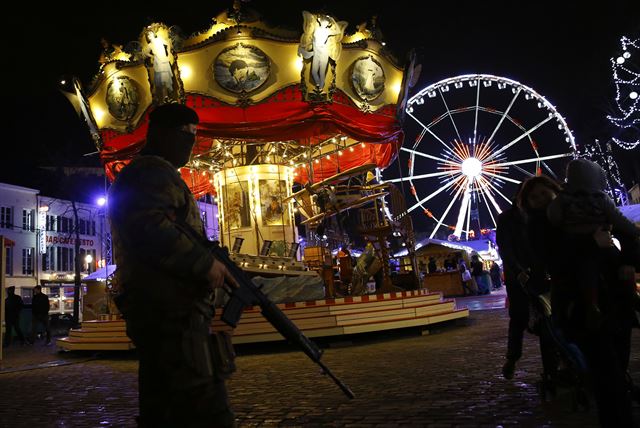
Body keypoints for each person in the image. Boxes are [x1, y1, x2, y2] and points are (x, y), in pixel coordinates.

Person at [108, 103, 239, 428]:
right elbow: (149, 227)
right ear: (162, 134)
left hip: (169, 308)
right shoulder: (150, 172)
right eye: (185, 135)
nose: (191, 143)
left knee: (169, 405)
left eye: (194, 136)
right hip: (169, 309)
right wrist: (204, 265)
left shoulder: (152, 173)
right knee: (201, 403)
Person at [496, 182, 531, 380]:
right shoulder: (507, 219)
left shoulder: (540, 215)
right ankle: (512, 358)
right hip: (517, 276)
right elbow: (505, 248)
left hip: (540, 272)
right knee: (518, 318)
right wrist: (517, 270)